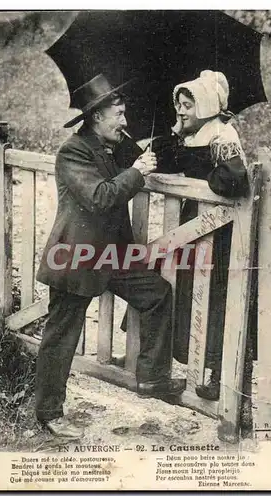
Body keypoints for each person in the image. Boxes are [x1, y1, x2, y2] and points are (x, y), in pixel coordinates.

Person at [35, 74, 186, 439]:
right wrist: (136, 171)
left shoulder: (113, 145)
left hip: (111, 255)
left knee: (156, 293)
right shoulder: (72, 151)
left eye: (125, 113)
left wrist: (176, 136)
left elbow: (148, 160)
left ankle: (151, 378)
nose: (125, 121)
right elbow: (101, 196)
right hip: (75, 257)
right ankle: (49, 413)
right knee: (61, 337)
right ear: (96, 116)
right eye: (118, 114)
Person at [151, 70, 256, 402]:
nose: (180, 111)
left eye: (187, 106)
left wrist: (202, 172)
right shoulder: (192, 133)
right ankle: (181, 366)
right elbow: (161, 158)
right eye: (178, 105)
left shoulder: (222, 135)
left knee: (217, 297)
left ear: (208, 105)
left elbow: (234, 179)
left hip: (221, 231)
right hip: (194, 225)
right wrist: (176, 132)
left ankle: (216, 374)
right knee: (182, 288)